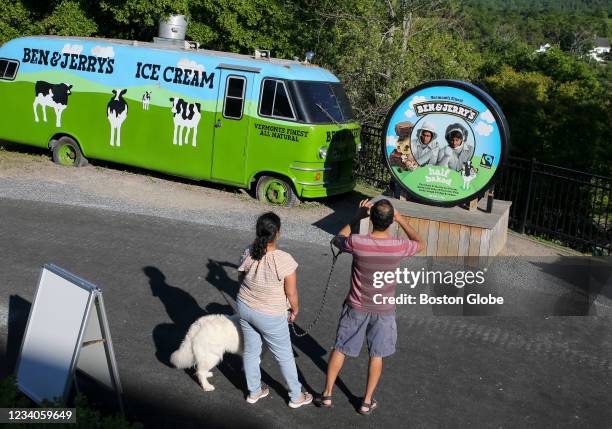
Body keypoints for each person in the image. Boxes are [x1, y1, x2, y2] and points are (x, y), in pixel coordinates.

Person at [317, 199, 424, 414]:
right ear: (391, 221)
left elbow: (337, 239)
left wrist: (357, 216)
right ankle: (366, 402)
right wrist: (402, 219)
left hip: (356, 306)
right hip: (383, 310)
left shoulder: (357, 242)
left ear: (371, 219)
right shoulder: (398, 246)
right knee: (377, 354)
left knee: (341, 348)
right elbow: (420, 243)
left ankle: (327, 394)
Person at [236, 212, 313, 408]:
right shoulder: (284, 259)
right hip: (270, 313)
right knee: (284, 355)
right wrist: (295, 310)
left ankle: (254, 391)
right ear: (277, 233)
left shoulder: (248, 251)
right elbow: (291, 292)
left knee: (251, 351)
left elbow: (240, 278)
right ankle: (296, 396)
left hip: (245, 306)